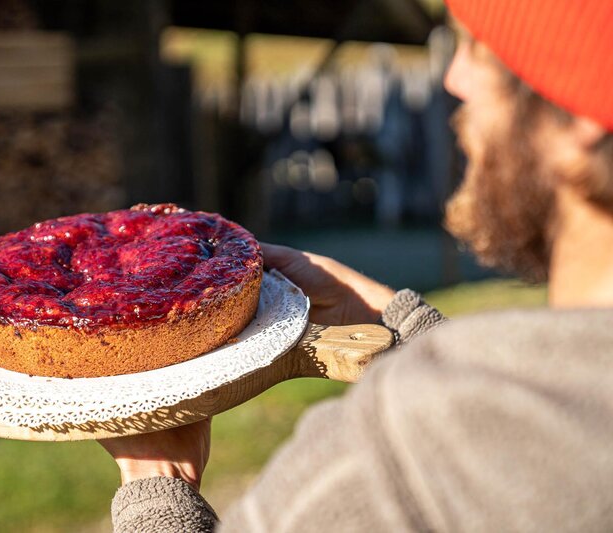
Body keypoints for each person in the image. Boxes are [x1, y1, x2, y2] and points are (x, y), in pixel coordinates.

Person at [101, 0, 613, 530]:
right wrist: (404, 327)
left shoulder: (392, 462)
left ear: (582, 120)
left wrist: (157, 487)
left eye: (482, 49)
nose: (454, 77)